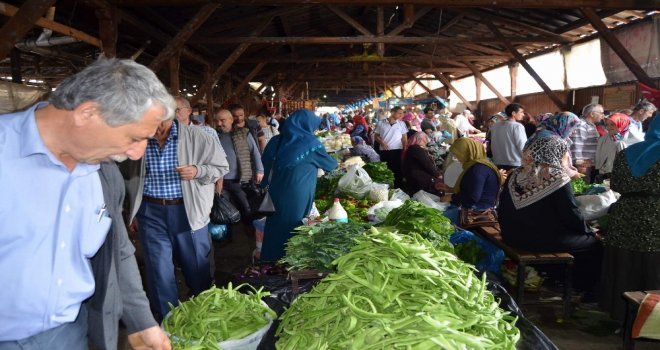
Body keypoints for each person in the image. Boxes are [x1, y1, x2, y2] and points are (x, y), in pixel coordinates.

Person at [0, 58, 172, 349]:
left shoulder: (105, 174)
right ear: (87, 113)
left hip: (68, 334)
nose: (136, 154)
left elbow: (118, 249)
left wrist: (140, 320)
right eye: (134, 138)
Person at [122, 106, 229, 321]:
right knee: (158, 272)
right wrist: (130, 210)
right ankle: (168, 324)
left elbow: (221, 166)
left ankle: (203, 319)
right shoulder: (138, 139)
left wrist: (198, 171)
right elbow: (127, 176)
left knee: (197, 268)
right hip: (150, 212)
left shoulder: (198, 136)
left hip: (187, 211)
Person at [499, 137, 602, 298]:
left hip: (511, 236)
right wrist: (589, 231)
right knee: (593, 243)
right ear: (556, 153)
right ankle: (583, 290)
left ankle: (552, 278)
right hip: (538, 241)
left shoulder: (516, 174)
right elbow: (571, 214)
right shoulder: (556, 177)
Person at [599, 116, 660, 322]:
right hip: (655, 218)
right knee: (651, 265)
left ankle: (620, 314)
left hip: (625, 214)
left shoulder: (627, 152)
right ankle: (649, 320)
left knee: (625, 263)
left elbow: (615, 183)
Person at [259, 109, 338, 261]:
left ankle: (270, 262)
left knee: (275, 227)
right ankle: (290, 263)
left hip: (274, 193)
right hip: (297, 194)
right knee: (294, 226)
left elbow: (265, 164)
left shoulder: (276, 141)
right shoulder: (311, 144)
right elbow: (331, 165)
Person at [214, 109, 264, 226]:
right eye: (217, 121)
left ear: (231, 120)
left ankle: (249, 230)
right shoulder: (214, 135)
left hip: (240, 180)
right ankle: (228, 235)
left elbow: (255, 152)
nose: (219, 124)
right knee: (224, 209)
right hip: (220, 181)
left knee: (246, 207)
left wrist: (259, 170)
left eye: (222, 120)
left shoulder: (244, 133)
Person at [446, 137, 502, 211]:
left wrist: (451, 197)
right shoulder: (475, 165)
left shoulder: (478, 170)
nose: (455, 157)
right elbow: (470, 189)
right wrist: (449, 189)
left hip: (477, 211)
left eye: (458, 154)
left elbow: (473, 197)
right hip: (475, 207)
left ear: (467, 153)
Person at [525, 111, 581, 179]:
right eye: (572, 127)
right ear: (563, 125)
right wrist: (573, 174)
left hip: (533, 177)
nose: (574, 132)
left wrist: (570, 167)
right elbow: (554, 168)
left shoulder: (542, 133)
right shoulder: (554, 140)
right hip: (545, 182)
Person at [374, 106, 408, 188]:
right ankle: (386, 187)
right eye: (399, 113)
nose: (401, 115)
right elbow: (376, 136)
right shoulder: (381, 123)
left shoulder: (402, 124)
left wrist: (405, 149)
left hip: (397, 150)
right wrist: (382, 143)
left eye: (402, 113)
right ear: (392, 112)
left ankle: (398, 187)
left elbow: (404, 138)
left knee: (397, 170)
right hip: (384, 150)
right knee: (386, 170)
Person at [489, 103, 528, 170]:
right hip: (514, 163)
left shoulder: (495, 126)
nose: (523, 114)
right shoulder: (517, 126)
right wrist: (527, 160)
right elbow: (522, 145)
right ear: (513, 113)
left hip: (497, 162)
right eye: (521, 112)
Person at [570, 103, 604, 178]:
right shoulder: (581, 125)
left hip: (589, 164)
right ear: (592, 114)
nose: (603, 116)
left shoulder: (590, 125)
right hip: (583, 166)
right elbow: (576, 145)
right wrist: (578, 164)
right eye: (601, 113)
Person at [594, 113, 630, 179]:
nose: (608, 127)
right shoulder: (604, 138)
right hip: (605, 174)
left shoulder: (632, 138)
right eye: (607, 125)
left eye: (613, 124)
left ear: (622, 124)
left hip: (622, 175)